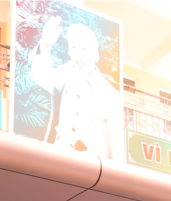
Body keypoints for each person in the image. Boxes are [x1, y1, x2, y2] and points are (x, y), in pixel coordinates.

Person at [29, 16, 123, 161]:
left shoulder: (111, 96)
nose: (78, 54)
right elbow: (40, 74)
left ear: (96, 55)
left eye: (85, 49)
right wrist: (45, 44)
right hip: (58, 160)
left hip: (92, 167)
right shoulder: (66, 75)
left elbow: (115, 145)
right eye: (73, 47)